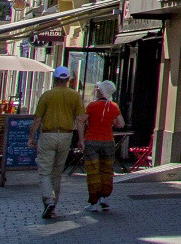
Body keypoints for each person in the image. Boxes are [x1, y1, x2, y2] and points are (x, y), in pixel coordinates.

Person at [33, 66, 85, 219]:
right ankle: (53, 205)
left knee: (45, 171)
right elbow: (80, 120)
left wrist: (31, 137)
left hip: (48, 135)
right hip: (66, 136)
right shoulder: (75, 96)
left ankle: (48, 200)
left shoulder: (47, 95)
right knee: (57, 172)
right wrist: (81, 140)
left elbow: (38, 119)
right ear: (68, 80)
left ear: (55, 79)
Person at [79, 80, 122, 211]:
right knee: (106, 170)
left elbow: (81, 120)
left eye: (98, 89)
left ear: (102, 92)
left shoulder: (92, 105)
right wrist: (111, 121)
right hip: (108, 141)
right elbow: (121, 124)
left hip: (92, 140)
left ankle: (93, 202)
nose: (96, 90)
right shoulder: (113, 106)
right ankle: (104, 197)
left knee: (93, 171)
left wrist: (81, 139)